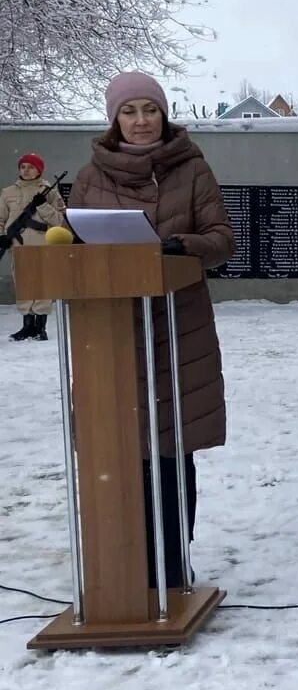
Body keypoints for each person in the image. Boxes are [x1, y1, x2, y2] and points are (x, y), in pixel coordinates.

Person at [69, 72, 235, 586]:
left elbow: (221, 238)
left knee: (170, 446)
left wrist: (181, 246)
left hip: (175, 325)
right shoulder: (90, 177)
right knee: (118, 446)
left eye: (150, 110)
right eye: (129, 112)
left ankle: (170, 561)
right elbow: (74, 246)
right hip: (111, 333)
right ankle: (122, 565)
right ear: (114, 119)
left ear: (163, 114)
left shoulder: (191, 169)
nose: (141, 122)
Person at [3, 154, 67, 341]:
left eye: (31, 167)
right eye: (23, 166)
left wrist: (43, 206)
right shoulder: (8, 192)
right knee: (23, 283)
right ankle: (27, 326)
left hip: (43, 244)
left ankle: (40, 327)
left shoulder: (49, 192)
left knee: (42, 283)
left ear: (39, 170)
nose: (26, 170)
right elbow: (0, 218)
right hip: (18, 245)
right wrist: (1, 237)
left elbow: (59, 220)